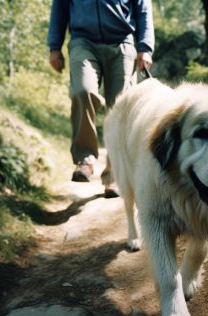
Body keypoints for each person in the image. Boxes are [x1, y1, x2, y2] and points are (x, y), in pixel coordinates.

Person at [47, 0, 154, 182]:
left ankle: (115, 175)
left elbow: (143, 9)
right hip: (83, 41)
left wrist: (145, 47)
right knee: (83, 91)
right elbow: (60, 7)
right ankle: (84, 160)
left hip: (122, 43)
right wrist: (54, 47)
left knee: (120, 108)